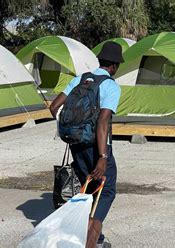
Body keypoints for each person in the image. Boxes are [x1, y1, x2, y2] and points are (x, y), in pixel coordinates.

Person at [49, 41, 123, 248]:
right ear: (115, 66)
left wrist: (71, 129)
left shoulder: (79, 80)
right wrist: (102, 157)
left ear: (100, 61)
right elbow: (103, 121)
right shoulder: (110, 86)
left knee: (89, 190)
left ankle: (94, 238)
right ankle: (90, 242)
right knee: (106, 191)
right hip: (96, 147)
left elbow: (54, 107)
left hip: (76, 144)